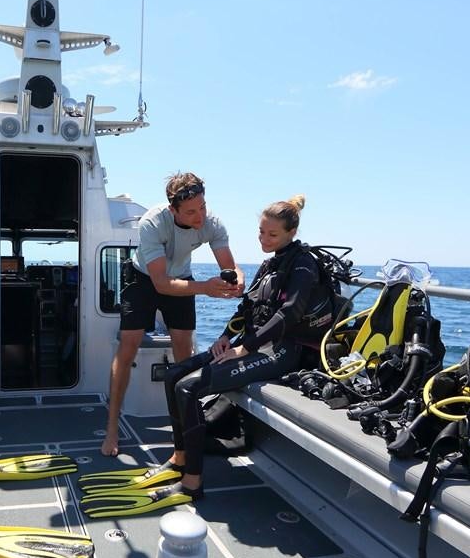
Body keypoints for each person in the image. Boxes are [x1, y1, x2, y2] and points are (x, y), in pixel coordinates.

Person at [82, 195, 335, 518]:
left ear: (291, 232)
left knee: (190, 388)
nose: (263, 240)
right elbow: (248, 307)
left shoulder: (302, 265)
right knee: (176, 375)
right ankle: (180, 456)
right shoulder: (271, 263)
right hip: (256, 343)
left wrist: (246, 346)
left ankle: (192, 482)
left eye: (272, 235)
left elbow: (288, 314)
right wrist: (225, 338)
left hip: (284, 351)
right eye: (260, 232)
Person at [102, 172, 242, 456]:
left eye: (202, 206)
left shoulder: (211, 223)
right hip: (143, 279)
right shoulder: (152, 223)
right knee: (128, 347)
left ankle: (186, 428)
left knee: (184, 352)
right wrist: (205, 288)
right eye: (191, 211)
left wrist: (236, 280)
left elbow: (231, 266)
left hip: (182, 277)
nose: (200, 215)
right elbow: (161, 283)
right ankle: (112, 428)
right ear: (173, 209)